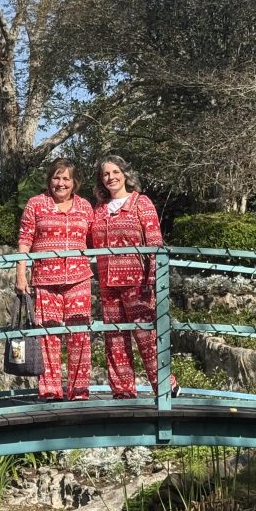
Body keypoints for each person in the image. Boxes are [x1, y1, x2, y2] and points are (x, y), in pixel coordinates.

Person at [90, 155, 178, 399]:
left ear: (125, 173)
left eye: (115, 172)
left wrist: (152, 281)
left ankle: (165, 387)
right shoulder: (98, 210)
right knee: (115, 340)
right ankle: (123, 391)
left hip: (137, 284)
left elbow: (155, 245)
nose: (111, 178)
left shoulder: (141, 203)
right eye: (106, 174)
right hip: (108, 283)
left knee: (147, 338)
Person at [15, 158, 94, 401]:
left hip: (79, 278)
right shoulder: (36, 204)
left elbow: (94, 240)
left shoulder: (85, 207)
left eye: (66, 179)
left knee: (79, 334)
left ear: (74, 183)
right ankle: (50, 390)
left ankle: (79, 390)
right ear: (50, 180)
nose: (60, 183)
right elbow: (25, 240)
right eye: (56, 178)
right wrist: (20, 273)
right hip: (45, 278)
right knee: (47, 334)